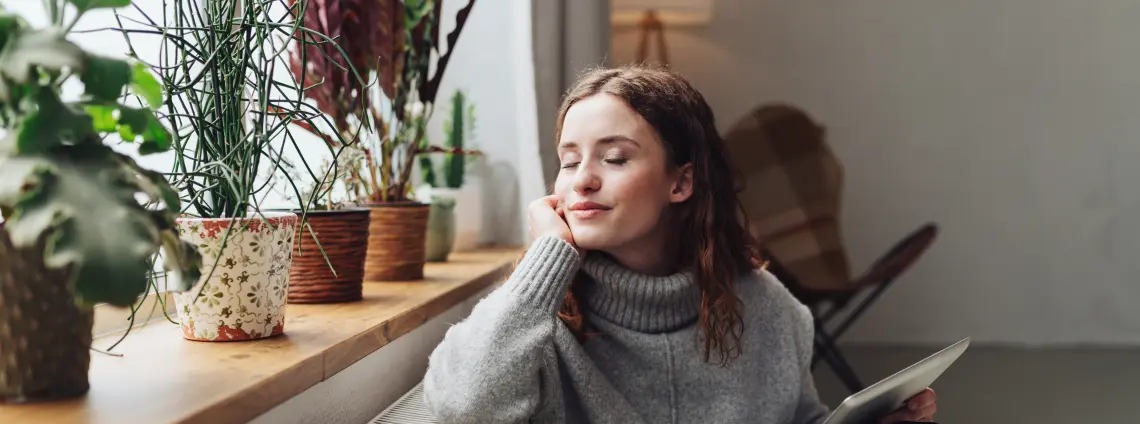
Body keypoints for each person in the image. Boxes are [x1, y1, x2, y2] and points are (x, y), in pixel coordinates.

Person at [422, 65, 938, 424]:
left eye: (615, 158)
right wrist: (547, 261)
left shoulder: (771, 312)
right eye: (569, 160)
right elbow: (462, 409)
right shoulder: (534, 319)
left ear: (681, 183)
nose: (582, 181)